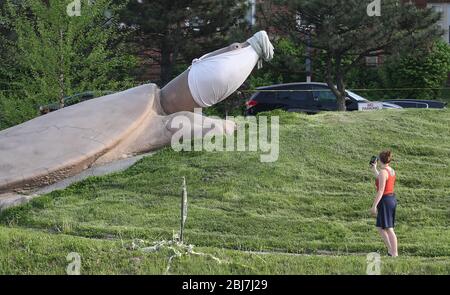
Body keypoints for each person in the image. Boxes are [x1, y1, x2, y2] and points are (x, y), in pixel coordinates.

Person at [159, 30, 274, 115]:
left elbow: (232, 48)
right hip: (204, 94)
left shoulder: (240, 50)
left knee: (161, 102)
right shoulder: (247, 63)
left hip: (198, 78)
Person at [370, 150, 398, 257]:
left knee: (389, 228)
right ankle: (391, 251)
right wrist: (375, 170)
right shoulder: (391, 170)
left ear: (380, 160)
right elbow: (384, 180)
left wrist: (374, 206)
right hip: (391, 199)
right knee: (381, 227)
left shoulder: (383, 172)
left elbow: (381, 190)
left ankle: (394, 253)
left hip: (385, 200)